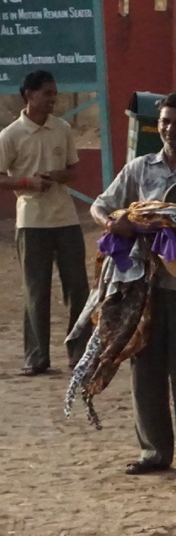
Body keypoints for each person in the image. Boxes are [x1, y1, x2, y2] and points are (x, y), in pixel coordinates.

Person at [90, 91, 176, 482]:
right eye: (165, 122)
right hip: (141, 283)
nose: (171, 129)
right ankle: (153, 452)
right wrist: (114, 223)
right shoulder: (139, 168)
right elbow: (101, 204)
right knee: (145, 369)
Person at [0, 70, 89, 376]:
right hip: (31, 222)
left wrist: (55, 177)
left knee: (78, 289)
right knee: (35, 292)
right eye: (47, 93)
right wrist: (27, 181)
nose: (53, 99)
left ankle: (80, 354)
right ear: (29, 95)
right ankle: (36, 357)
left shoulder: (61, 128)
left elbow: (73, 168)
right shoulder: (10, 135)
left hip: (65, 219)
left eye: (54, 93)